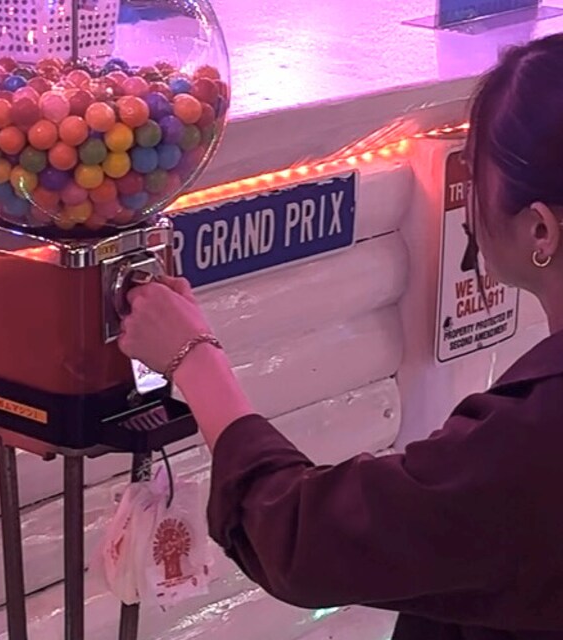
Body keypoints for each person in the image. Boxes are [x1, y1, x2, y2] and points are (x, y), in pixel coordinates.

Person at [118, 34, 563, 639]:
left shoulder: (532, 440)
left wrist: (193, 360)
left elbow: (304, 538)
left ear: (540, 230)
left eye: (475, 170)